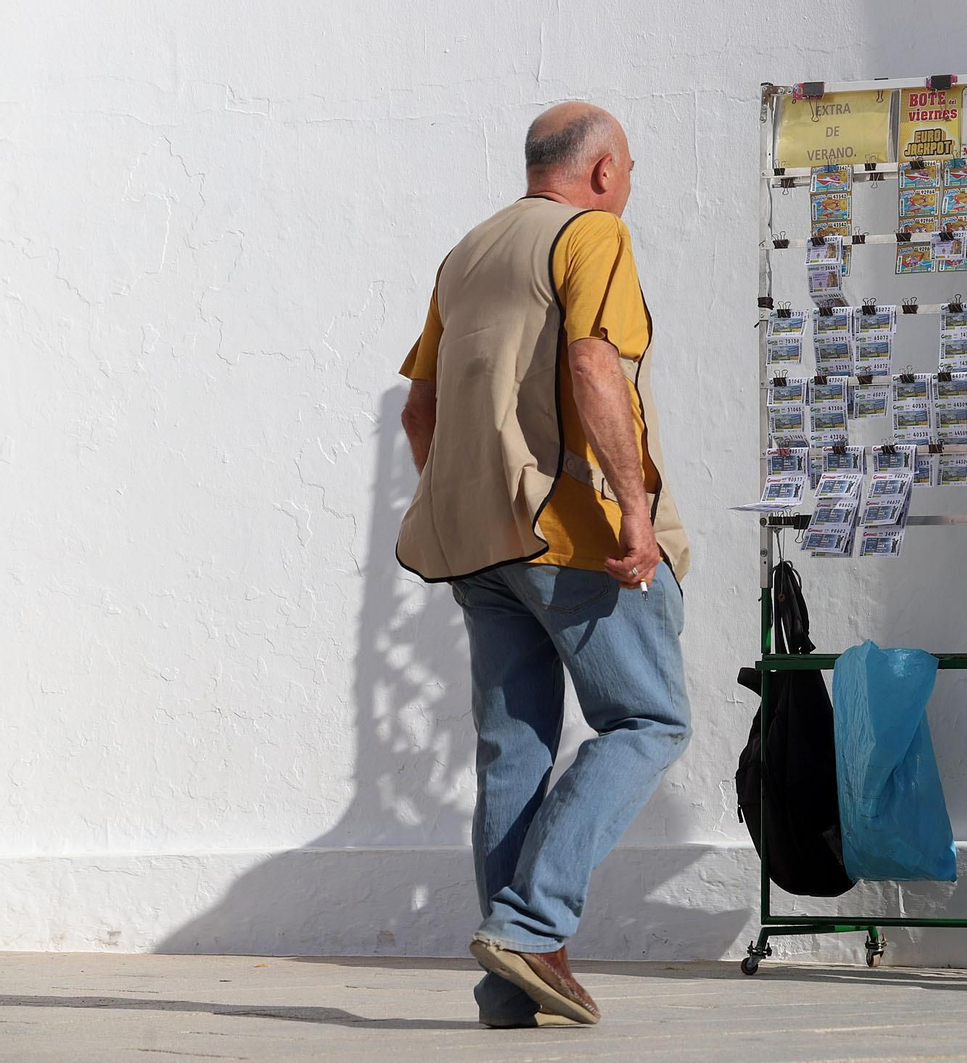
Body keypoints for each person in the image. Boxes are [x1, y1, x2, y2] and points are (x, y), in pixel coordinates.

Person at [395, 102, 692, 1027]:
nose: (629, 187)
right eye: (631, 170)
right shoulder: (590, 233)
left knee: (512, 752)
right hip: (571, 533)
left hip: (477, 543)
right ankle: (530, 924)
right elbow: (595, 361)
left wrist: (462, 495)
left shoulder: (467, 254)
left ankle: (507, 986)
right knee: (648, 718)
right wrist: (634, 513)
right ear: (601, 171)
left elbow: (420, 413)